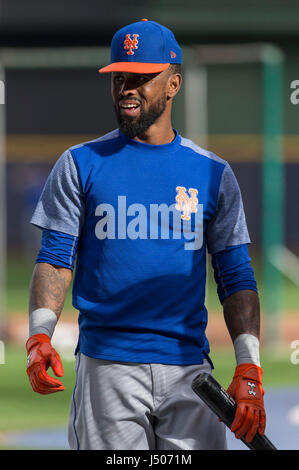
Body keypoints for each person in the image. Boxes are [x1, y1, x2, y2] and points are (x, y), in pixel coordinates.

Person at [26, 19, 266, 451]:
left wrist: (249, 367)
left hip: (189, 371)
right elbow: (55, 256)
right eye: (119, 77)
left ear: (173, 83)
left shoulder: (212, 173)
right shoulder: (80, 163)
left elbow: (235, 274)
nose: (126, 88)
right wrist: (40, 334)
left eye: (141, 77)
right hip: (107, 367)